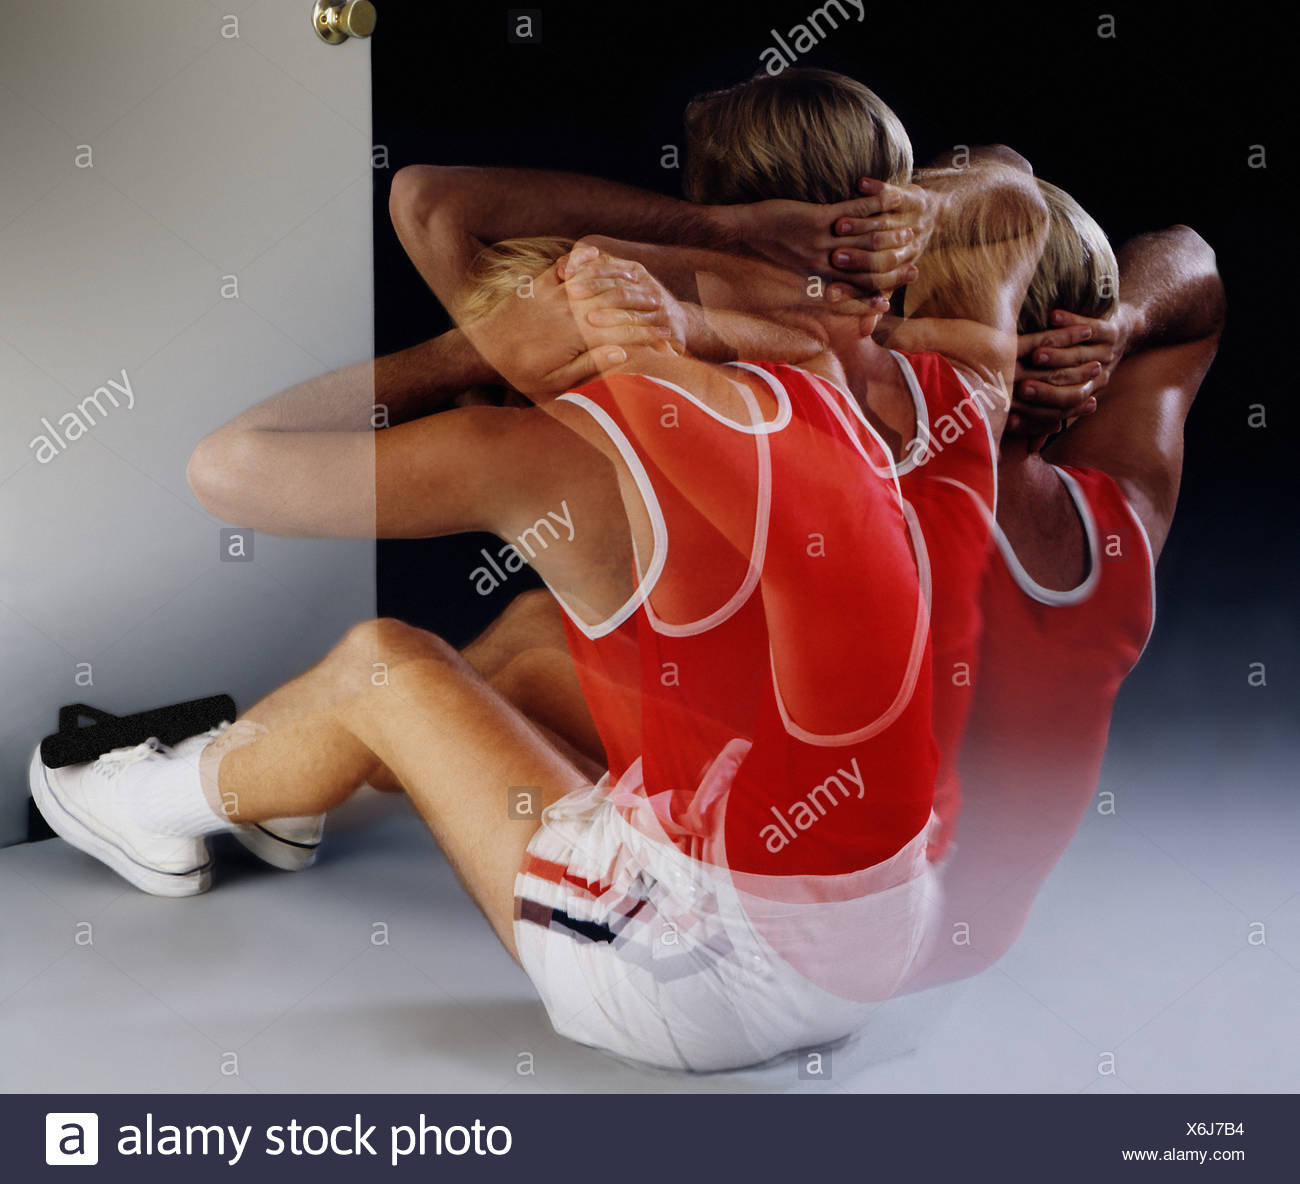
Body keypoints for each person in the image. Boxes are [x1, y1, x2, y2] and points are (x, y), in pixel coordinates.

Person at [904, 187, 1225, 987]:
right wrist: (1121, 328)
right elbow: (1193, 261)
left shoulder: (862, 488)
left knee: (548, 638)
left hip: (828, 955)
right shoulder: (1120, 521)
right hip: (970, 950)